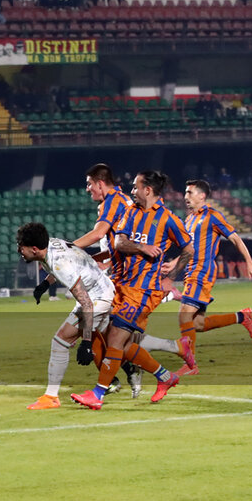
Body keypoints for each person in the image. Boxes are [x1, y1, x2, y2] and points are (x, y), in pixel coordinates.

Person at [71, 170, 195, 410]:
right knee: (120, 343)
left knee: (116, 339)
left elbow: (188, 249)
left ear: (147, 190)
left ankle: (97, 394)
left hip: (144, 291)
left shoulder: (168, 219)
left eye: (136, 187)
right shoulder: (131, 212)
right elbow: (119, 242)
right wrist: (142, 247)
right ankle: (166, 377)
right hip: (124, 286)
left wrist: (171, 276)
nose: (132, 190)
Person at [165, 179, 252, 374]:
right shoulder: (189, 219)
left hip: (202, 271)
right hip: (190, 270)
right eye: (185, 193)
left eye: (189, 193)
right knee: (197, 324)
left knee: (184, 315)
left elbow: (235, 238)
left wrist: (250, 263)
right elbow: (188, 248)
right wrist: (174, 263)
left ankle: (191, 365)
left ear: (202, 195)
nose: (185, 197)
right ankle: (242, 316)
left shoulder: (212, 216)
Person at [18, 222, 115, 410]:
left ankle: (51, 397)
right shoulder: (51, 244)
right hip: (98, 290)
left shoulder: (60, 264)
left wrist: (86, 343)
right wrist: (45, 285)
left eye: (21, 247)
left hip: (97, 297)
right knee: (119, 341)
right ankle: (162, 369)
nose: (19, 251)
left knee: (60, 340)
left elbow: (86, 302)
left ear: (35, 249)